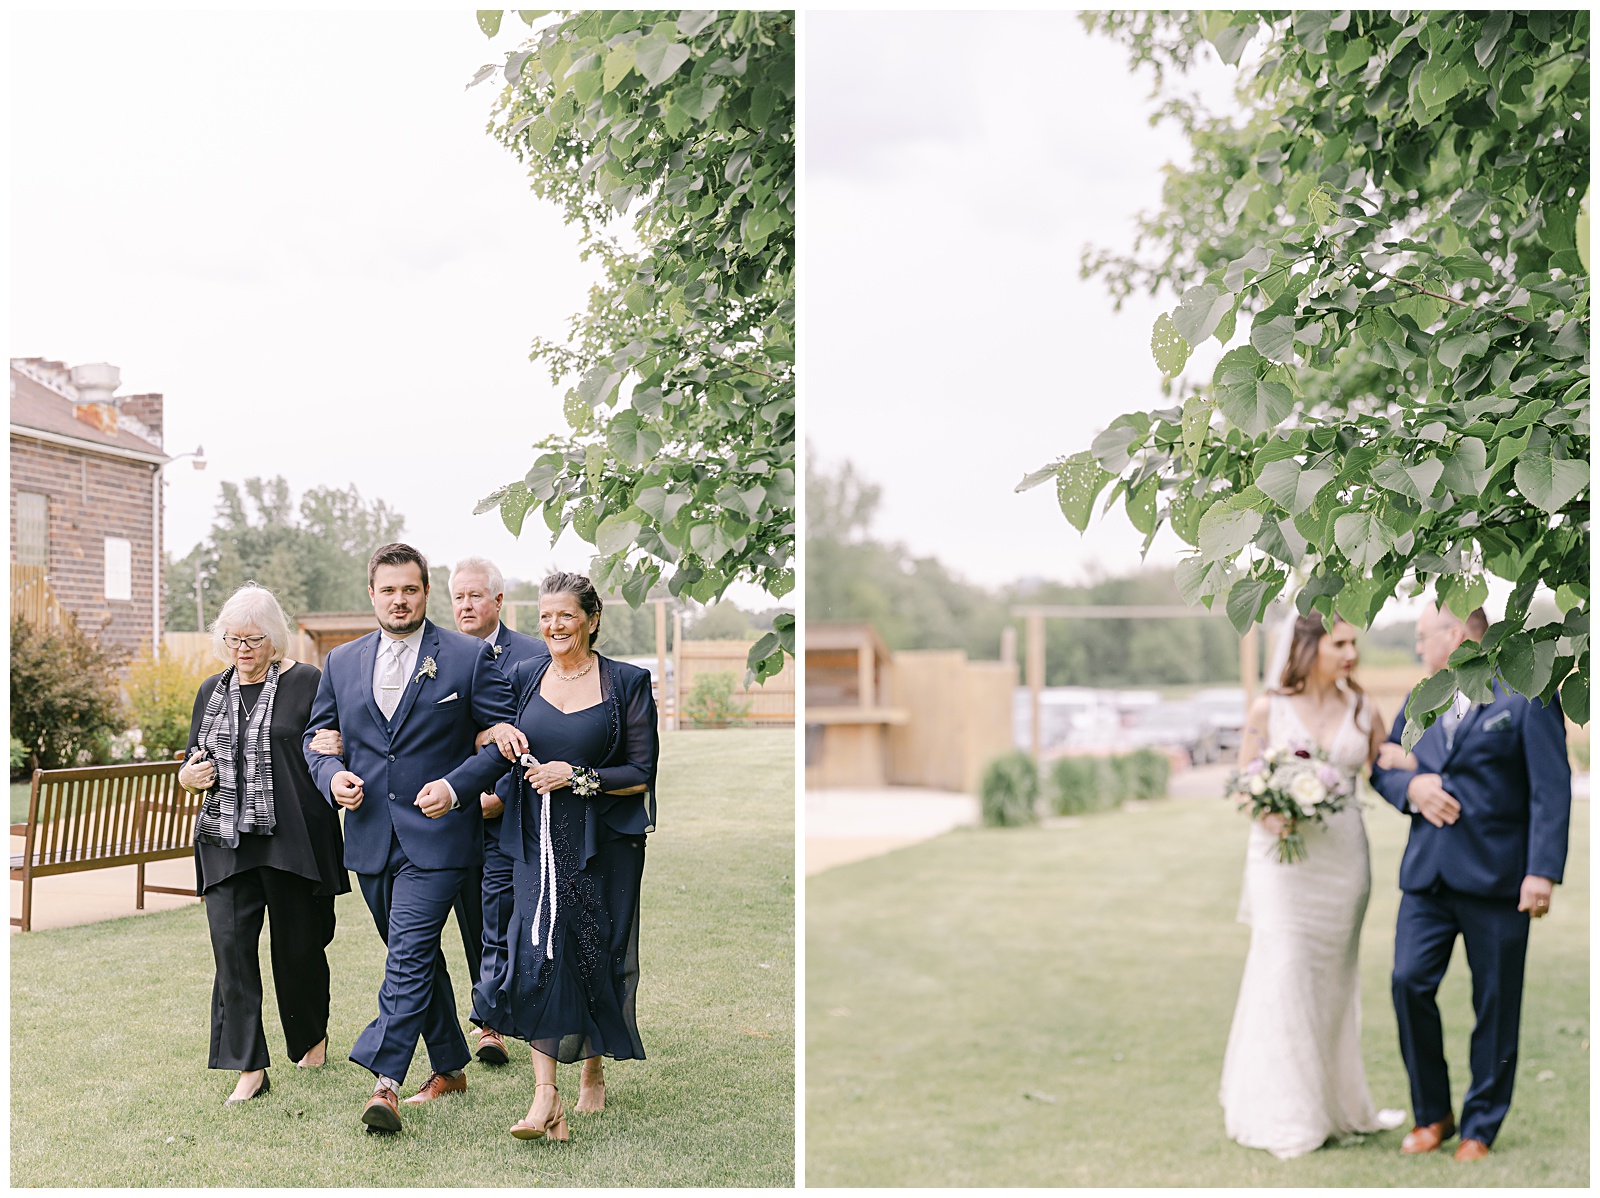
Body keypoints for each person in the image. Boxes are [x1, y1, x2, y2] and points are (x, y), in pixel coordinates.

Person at [301, 542, 525, 1133]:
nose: (400, 600)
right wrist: (332, 777)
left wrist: (456, 788)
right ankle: (450, 1065)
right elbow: (317, 738)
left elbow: (507, 739)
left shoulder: (467, 657)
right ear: (371, 594)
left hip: (440, 837)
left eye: (411, 589)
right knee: (417, 956)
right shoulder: (342, 663)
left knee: (405, 956)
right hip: (372, 838)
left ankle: (386, 1083)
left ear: (426, 593)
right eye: (388, 590)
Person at [1371, 603, 1570, 1162]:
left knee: (1496, 1004)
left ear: (1456, 635)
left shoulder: (1525, 691)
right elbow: (1384, 767)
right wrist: (1412, 790)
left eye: (1421, 636)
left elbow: (1549, 789)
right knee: (1408, 982)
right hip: (1427, 879)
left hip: (1499, 881)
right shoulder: (1419, 698)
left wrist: (1542, 872)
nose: (1416, 648)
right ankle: (1432, 1115)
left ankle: (1481, 1125)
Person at [471, 571, 658, 1141]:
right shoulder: (524, 677)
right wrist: (495, 741)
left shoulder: (627, 683)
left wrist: (577, 777)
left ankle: (593, 1072)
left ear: (592, 619)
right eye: (545, 616)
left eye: (566, 616)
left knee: (594, 951)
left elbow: (640, 773)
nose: (553, 626)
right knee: (537, 953)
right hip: (535, 837)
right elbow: (485, 734)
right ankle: (544, 1097)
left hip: (602, 841)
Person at [1219, 613, 1405, 1158]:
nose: (1351, 652)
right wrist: (1269, 814)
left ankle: (1337, 1104)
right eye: (1340, 642)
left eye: (1354, 643)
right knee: (1286, 972)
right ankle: (1290, 1115)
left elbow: (1383, 767)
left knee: (1332, 985)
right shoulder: (1268, 709)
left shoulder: (1362, 708)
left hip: (1344, 864)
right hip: (1282, 863)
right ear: (1308, 648)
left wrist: (1411, 767)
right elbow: (1241, 781)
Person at [179, 583, 348, 1105]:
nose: (243, 649)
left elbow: (330, 741)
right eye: (234, 639)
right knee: (230, 950)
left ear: (275, 640)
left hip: (292, 837)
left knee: (297, 949)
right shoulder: (212, 690)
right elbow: (191, 758)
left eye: (254, 639)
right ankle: (249, 1066)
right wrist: (189, 776)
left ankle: (309, 1035)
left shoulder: (307, 683)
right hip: (226, 839)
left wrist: (336, 745)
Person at [447, 556, 548, 1066]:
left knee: (512, 915)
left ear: (498, 601)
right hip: (457, 813)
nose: (466, 606)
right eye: (459, 597)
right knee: (475, 918)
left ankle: (507, 1017)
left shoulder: (532, 655)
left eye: (475, 596)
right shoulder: (441, 654)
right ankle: (489, 1020)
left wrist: (502, 796)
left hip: (516, 812)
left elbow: (538, 733)